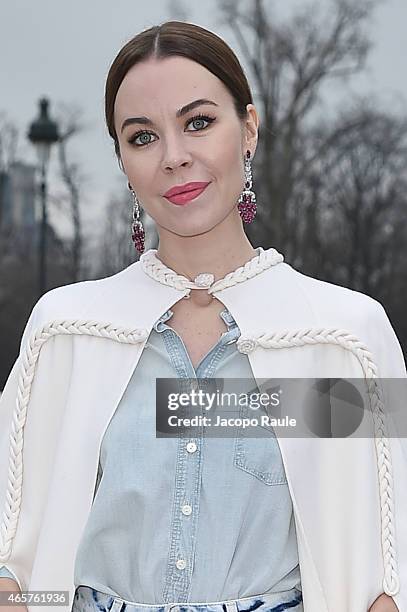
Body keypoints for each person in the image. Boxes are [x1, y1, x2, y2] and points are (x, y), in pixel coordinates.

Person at [0, 20, 406, 612]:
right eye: (142, 137)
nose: (175, 157)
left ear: (248, 128)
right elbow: (15, 535)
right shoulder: (66, 332)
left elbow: (386, 542)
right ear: (122, 160)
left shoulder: (342, 338)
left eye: (198, 122)